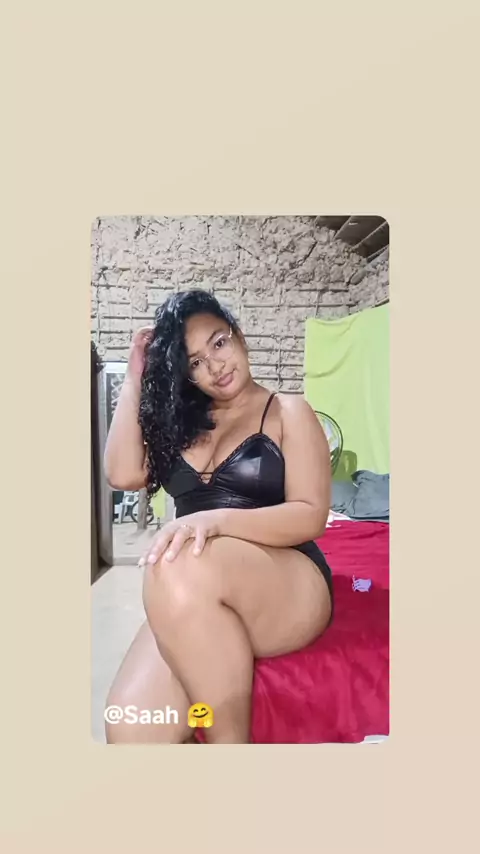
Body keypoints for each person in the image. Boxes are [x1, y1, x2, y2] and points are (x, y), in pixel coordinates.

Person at [103, 289, 333, 744]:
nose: (215, 366)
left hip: (285, 578)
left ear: (238, 336)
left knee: (175, 563)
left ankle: (230, 750)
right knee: (129, 727)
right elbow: (122, 473)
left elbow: (311, 516)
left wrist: (215, 521)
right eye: (195, 362)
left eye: (219, 343)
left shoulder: (289, 411)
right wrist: (134, 378)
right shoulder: (183, 425)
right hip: (193, 587)